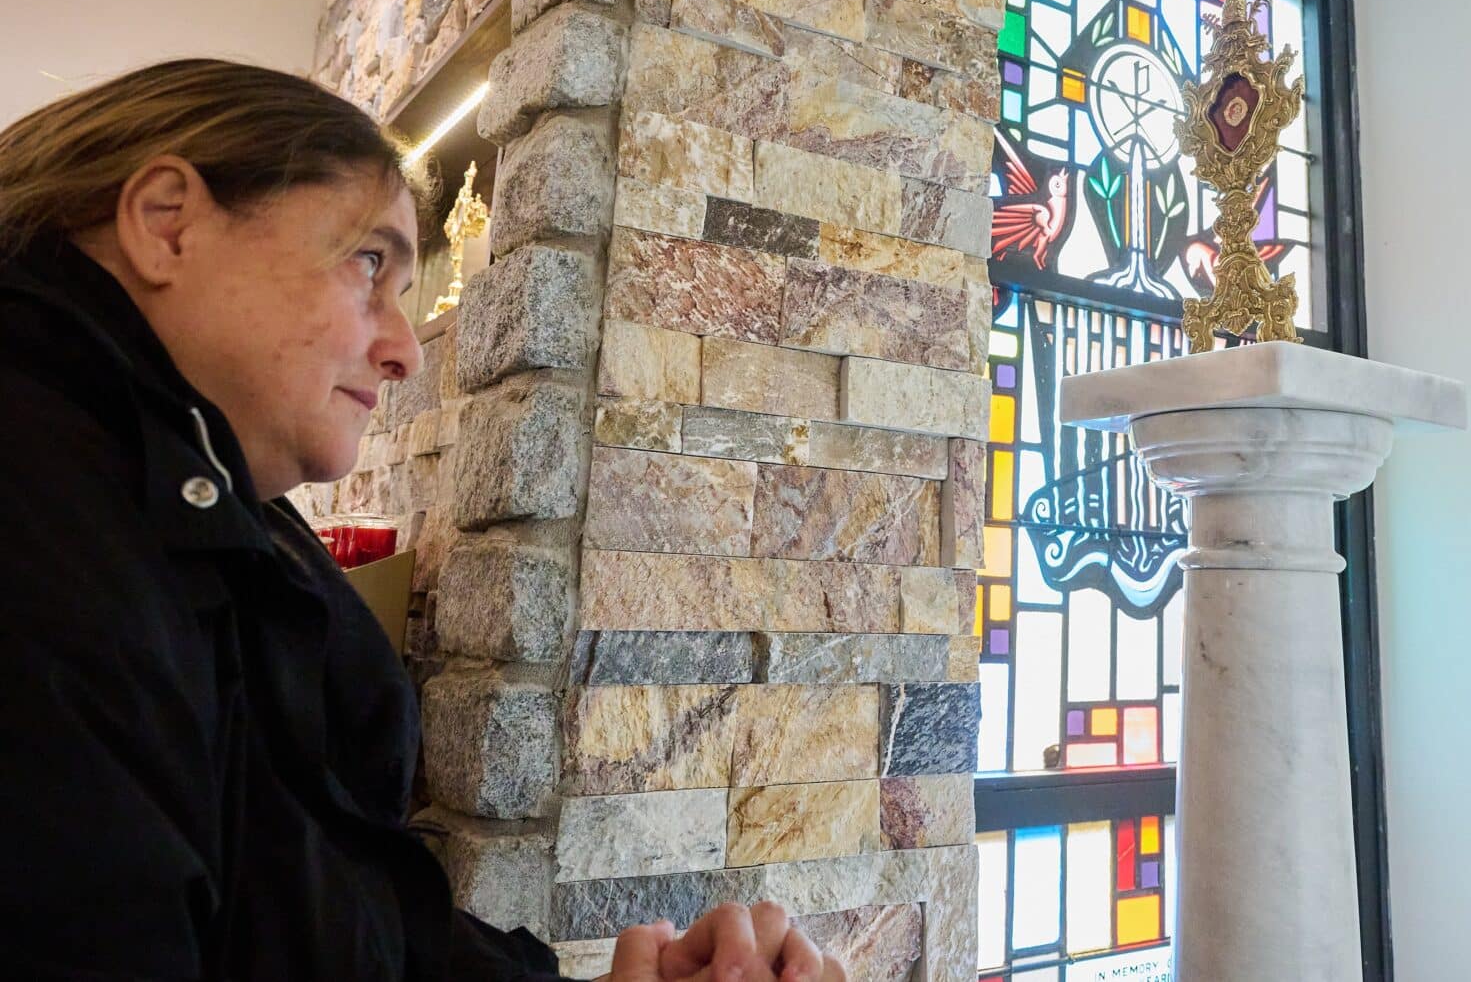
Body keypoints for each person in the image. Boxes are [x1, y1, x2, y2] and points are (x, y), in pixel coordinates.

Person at [0, 60, 845, 982]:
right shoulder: (41, 513)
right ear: (168, 222)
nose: (403, 349)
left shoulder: (186, 508)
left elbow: (327, 912)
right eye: (369, 262)